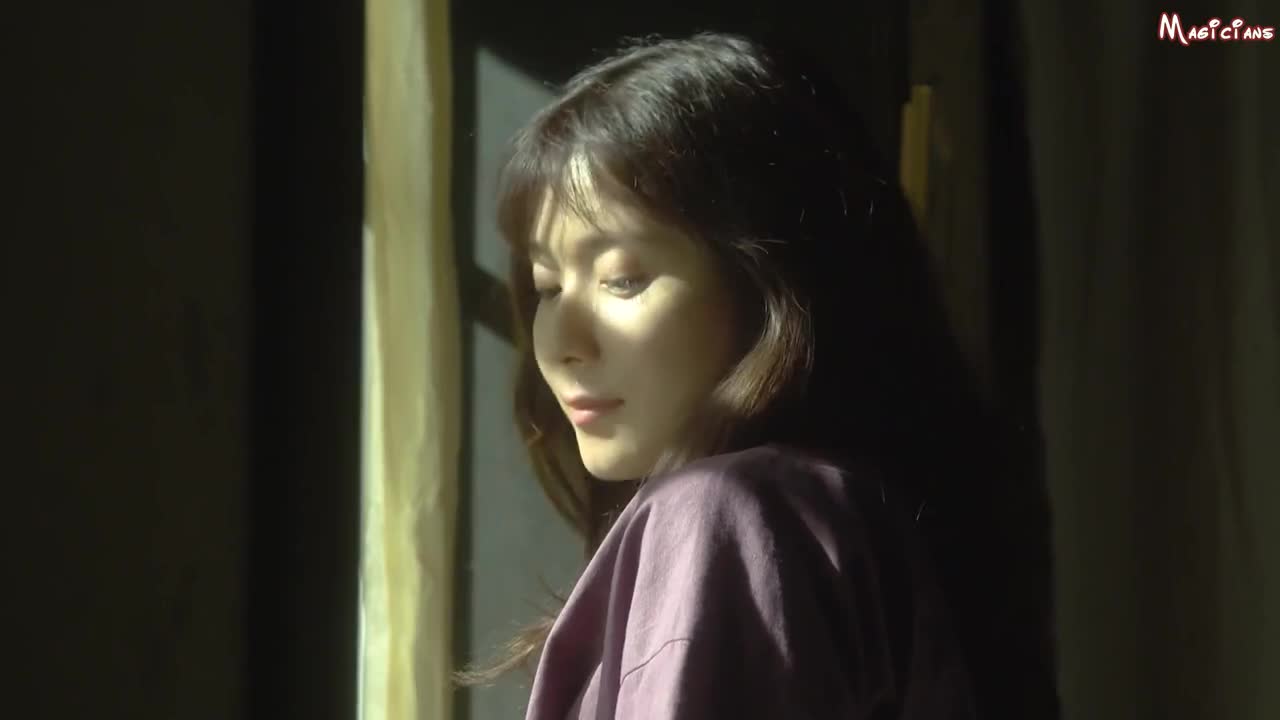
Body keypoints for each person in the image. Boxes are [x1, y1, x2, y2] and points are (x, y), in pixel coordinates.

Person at [456, 31, 1059, 719]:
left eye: (622, 279)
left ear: (768, 281)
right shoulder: (873, 519)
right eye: (547, 286)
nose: (562, 343)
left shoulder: (722, 512)